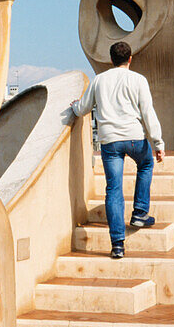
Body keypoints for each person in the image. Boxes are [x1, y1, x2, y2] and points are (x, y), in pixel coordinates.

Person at [69, 41, 164, 259]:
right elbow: (148, 113)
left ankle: (117, 245)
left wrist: (73, 106)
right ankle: (140, 212)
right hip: (134, 138)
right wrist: (158, 144)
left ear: (111, 60)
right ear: (130, 59)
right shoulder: (138, 80)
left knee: (114, 189)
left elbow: (82, 108)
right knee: (146, 163)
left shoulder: (99, 80)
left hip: (109, 141)